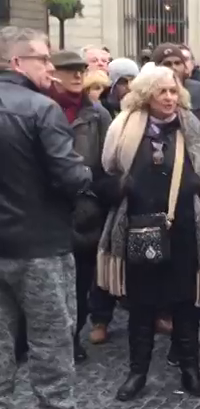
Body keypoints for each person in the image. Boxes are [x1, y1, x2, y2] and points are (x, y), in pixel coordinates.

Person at [97, 65, 200, 402]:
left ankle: (191, 372)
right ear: (146, 95)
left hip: (183, 229)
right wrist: (120, 186)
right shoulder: (123, 128)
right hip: (137, 227)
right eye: (161, 91)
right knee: (141, 307)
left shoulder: (192, 128)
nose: (169, 97)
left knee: (184, 305)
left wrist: (199, 183)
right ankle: (137, 372)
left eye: (173, 91)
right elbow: (101, 179)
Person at [0, 26, 93, 409]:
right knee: (51, 339)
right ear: (17, 62)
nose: (51, 67)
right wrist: (84, 175)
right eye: (43, 58)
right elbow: (70, 176)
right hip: (39, 247)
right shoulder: (41, 109)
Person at [46, 50, 113, 364]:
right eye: (68, 70)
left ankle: (73, 337)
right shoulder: (40, 108)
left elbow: (108, 163)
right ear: (51, 72)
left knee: (80, 282)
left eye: (80, 70)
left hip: (85, 210)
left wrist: (96, 194)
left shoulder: (96, 113)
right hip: (43, 209)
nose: (77, 75)